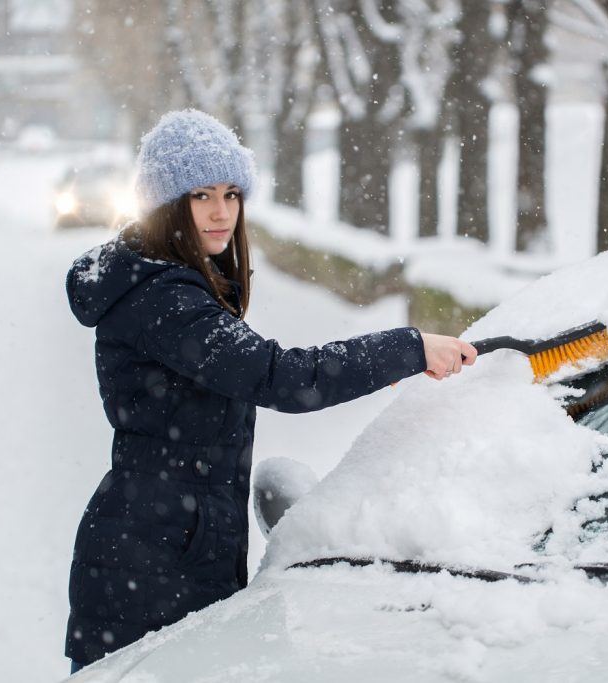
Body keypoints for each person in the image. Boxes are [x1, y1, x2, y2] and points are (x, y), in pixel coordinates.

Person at [62, 109, 476, 673]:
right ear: (167, 204)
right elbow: (281, 377)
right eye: (201, 194)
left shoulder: (171, 282)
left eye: (232, 194)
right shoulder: (165, 299)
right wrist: (406, 348)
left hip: (172, 548)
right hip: (149, 570)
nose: (221, 211)